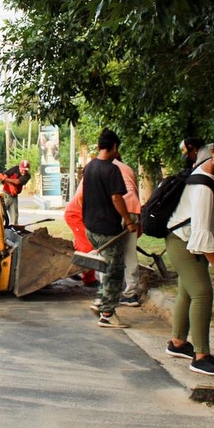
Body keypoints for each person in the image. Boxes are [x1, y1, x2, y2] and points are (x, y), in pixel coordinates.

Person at [164, 126, 214, 376]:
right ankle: (201, 356)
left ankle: (178, 343)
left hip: (197, 239)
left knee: (187, 292)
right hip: (182, 241)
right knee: (202, 292)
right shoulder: (203, 184)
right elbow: (200, 231)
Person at [77, 129, 136, 328]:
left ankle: (100, 301)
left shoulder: (89, 167)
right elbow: (117, 198)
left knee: (106, 267)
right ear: (115, 147)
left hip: (91, 227)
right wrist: (128, 220)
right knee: (115, 271)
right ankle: (108, 314)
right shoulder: (112, 170)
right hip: (107, 229)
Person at [113, 154, 143, 307]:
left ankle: (109, 292)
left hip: (116, 210)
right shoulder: (128, 169)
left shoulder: (104, 167)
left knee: (110, 252)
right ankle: (131, 294)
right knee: (130, 252)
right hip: (133, 209)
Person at [63, 181, 99, 287]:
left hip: (80, 215)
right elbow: (80, 197)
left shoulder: (94, 177)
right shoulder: (91, 179)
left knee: (81, 244)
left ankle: (71, 266)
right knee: (88, 245)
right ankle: (88, 279)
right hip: (75, 215)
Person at [0, 160, 31, 225]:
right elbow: (5, 175)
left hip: (14, 197)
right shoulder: (15, 169)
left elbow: (17, 181)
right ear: (19, 167)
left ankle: (14, 229)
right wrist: (10, 185)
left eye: (26, 170)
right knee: (0, 215)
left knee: (15, 218)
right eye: (22, 170)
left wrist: (4, 179)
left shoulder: (27, 176)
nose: (24, 172)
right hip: (5, 195)